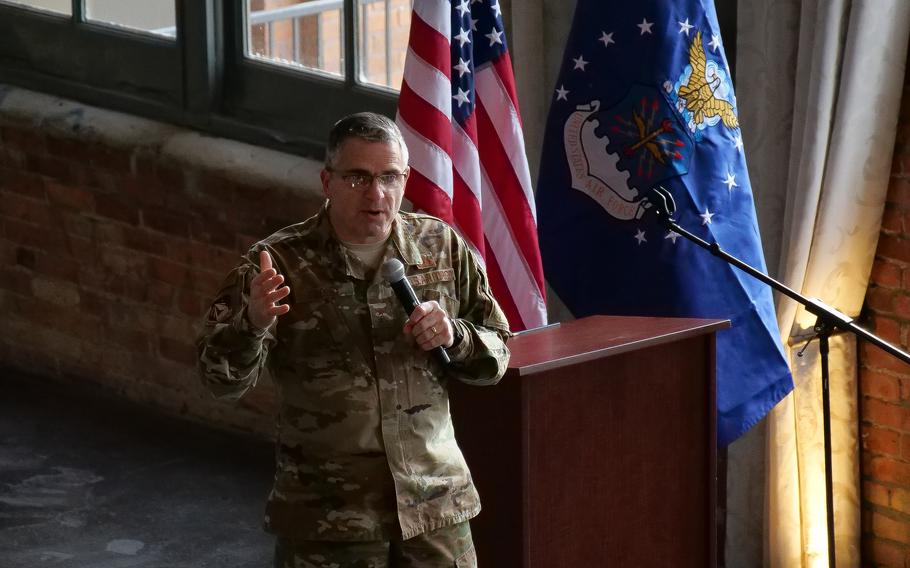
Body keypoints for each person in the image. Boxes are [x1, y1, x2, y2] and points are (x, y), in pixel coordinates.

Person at [196, 112, 511, 567]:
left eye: (389, 177)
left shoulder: (441, 246)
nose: (376, 193)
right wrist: (253, 322)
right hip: (329, 520)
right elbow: (219, 381)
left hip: (435, 508)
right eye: (358, 177)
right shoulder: (276, 263)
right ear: (328, 181)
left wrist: (455, 336)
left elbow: (497, 353)